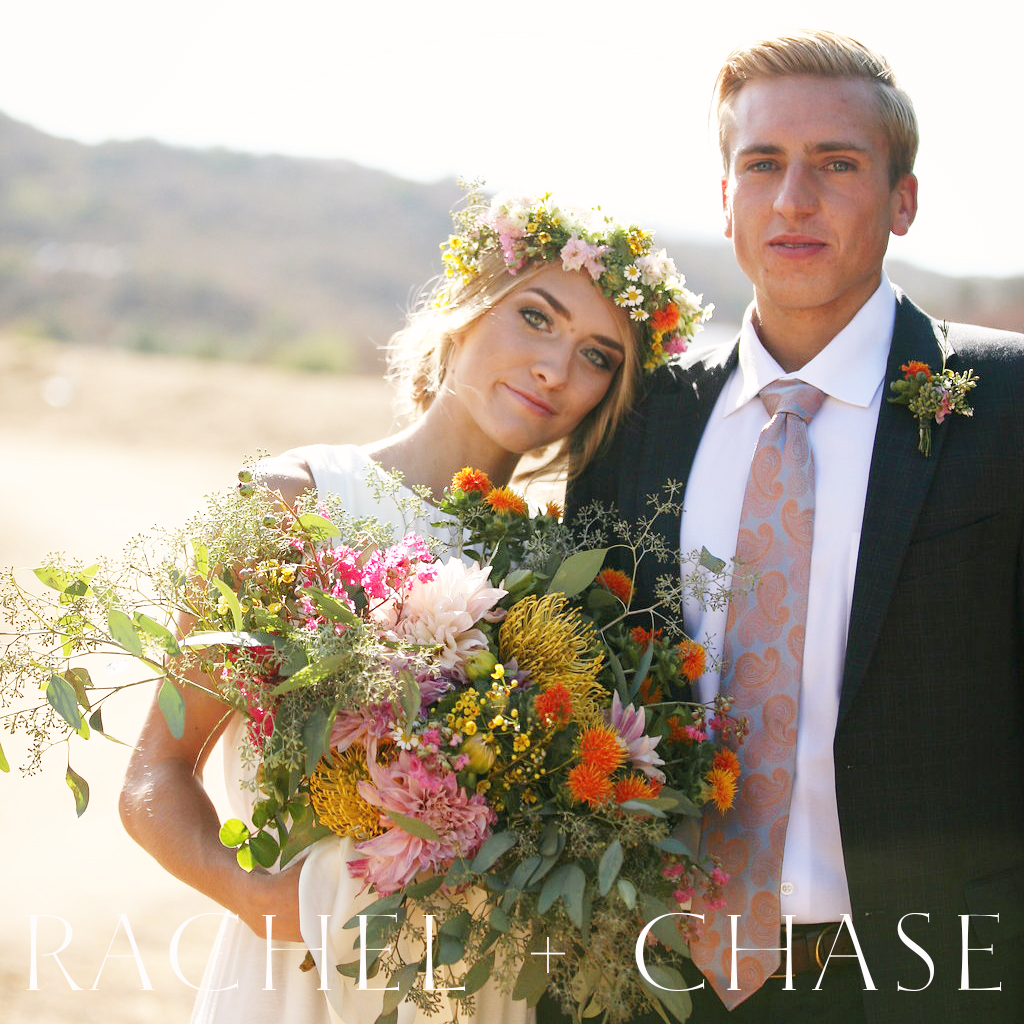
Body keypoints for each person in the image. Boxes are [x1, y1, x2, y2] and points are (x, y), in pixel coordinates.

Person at [118, 189, 710, 1023]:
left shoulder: (566, 578)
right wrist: (259, 902)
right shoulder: (295, 502)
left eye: (599, 357)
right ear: (464, 313)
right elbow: (154, 776)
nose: (556, 369)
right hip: (304, 972)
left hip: (484, 995)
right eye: (536, 317)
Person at [563, 29, 1024, 1024]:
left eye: (837, 164)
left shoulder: (1008, 404)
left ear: (902, 198)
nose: (793, 199)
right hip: (657, 974)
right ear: (724, 197)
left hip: (935, 978)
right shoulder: (637, 418)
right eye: (761, 164)